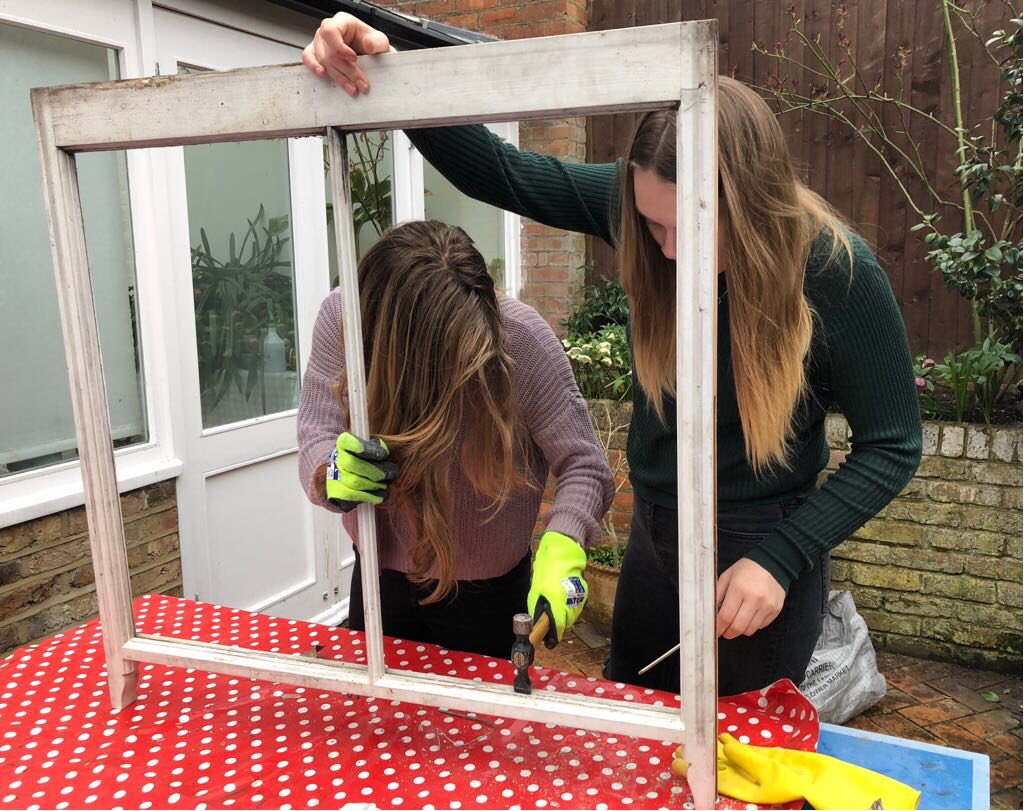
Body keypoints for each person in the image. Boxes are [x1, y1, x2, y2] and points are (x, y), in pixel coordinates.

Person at [302, 17, 923, 695]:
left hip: (763, 534)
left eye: (689, 226)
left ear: (752, 204)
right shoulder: (641, 212)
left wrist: (781, 559)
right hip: (656, 532)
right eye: (651, 225)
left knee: (741, 740)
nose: (668, 250)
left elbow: (891, 445)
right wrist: (387, 72)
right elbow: (502, 171)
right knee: (632, 709)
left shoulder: (836, 272)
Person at [297, 219, 614, 659]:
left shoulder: (523, 341)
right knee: (379, 721)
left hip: (490, 596)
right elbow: (316, 429)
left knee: (486, 727)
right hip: (376, 577)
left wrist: (564, 541)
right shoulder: (344, 319)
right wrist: (328, 472)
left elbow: (585, 465)